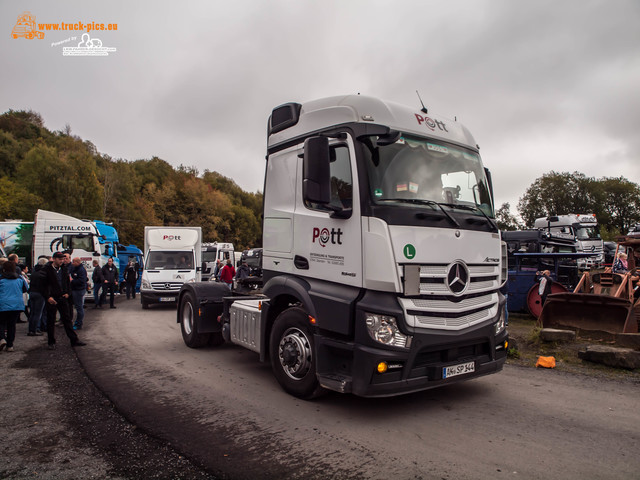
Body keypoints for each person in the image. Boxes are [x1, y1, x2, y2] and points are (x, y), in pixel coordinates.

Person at [41, 252, 86, 349]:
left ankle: (74, 340)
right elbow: (42, 285)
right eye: (60, 259)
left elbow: (67, 282)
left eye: (63, 259)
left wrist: (68, 293)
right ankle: (51, 342)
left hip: (62, 297)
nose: (62, 261)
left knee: (67, 319)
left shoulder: (64, 269)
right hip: (52, 298)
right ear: (54, 259)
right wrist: (47, 297)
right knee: (51, 320)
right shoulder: (47, 270)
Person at [0, 260, 29, 352]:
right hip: (17, 304)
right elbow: (25, 289)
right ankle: (10, 345)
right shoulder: (20, 279)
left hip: (3, 304)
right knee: (12, 325)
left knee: (1, 323)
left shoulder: (1, 279)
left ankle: (2, 338)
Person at [28, 258, 48, 336]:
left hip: (32, 292)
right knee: (38, 313)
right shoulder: (43, 273)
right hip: (39, 294)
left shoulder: (34, 272)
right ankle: (35, 329)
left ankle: (31, 329)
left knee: (32, 312)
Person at [69, 257, 87, 330]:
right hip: (75, 289)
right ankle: (77, 322)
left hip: (79, 290)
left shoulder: (81, 270)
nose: (72, 263)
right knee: (77, 306)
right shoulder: (75, 269)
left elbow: (82, 281)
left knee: (79, 307)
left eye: (73, 262)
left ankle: (79, 323)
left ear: (77, 262)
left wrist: (72, 281)